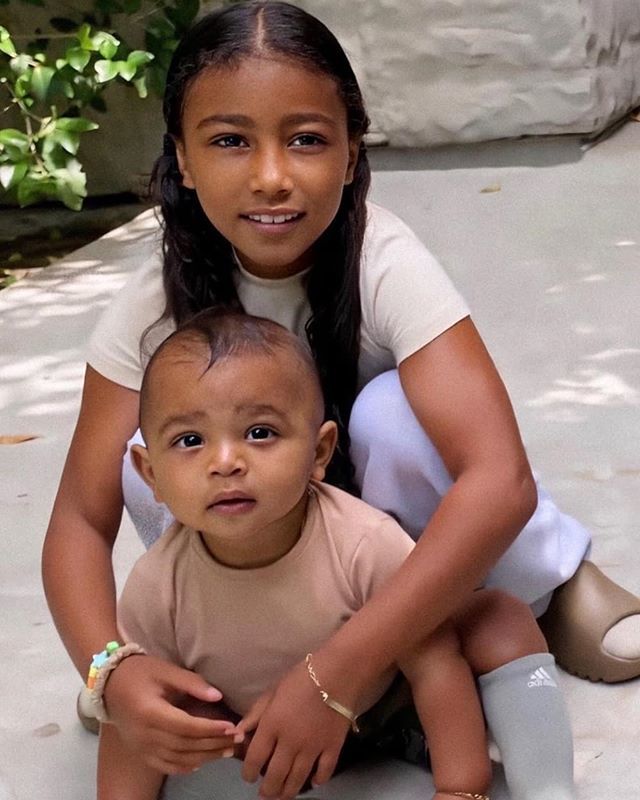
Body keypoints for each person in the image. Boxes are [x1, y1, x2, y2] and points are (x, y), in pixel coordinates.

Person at [41, 1, 640, 798]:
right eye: (230, 141)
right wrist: (109, 670)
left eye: (306, 140)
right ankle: (216, 641)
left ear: (352, 154)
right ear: (182, 159)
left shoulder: (383, 260)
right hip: (266, 542)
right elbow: (79, 520)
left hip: (393, 550)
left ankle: (546, 585)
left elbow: (499, 479)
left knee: (391, 419)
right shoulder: (154, 300)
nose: (271, 176)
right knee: (142, 454)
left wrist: (338, 673)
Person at [95, 309, 575, 800]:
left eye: (260, 432)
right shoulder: (157, 585)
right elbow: (133, 708)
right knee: (144, 697)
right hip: (264, 745)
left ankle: (547, 788)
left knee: (499, 618)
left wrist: (461, 788)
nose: (226, 463)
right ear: (149, 473)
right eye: (190, 440)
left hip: (394, 711)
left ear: (319, 452)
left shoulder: (364, 542)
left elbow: (433, 660)